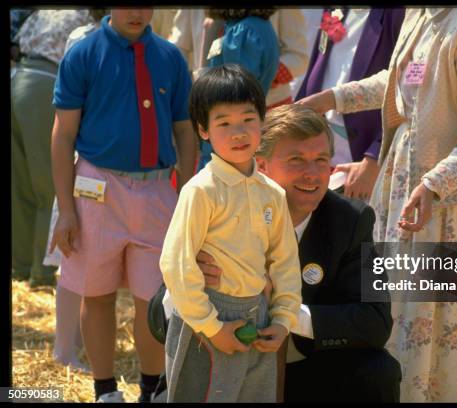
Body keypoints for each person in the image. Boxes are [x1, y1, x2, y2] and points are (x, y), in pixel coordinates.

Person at [298, 8, 457, 402]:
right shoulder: (424, 12)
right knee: (402, 323)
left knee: (451, 340)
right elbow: (401, 84)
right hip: (416, 192)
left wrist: (435, 184)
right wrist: (329, 99)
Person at [149, 104, 401, 402]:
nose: (312, 174)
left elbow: (375, 322)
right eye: (296, 160)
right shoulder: (212, 203)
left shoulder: (350, 219)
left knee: (378, 372)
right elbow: (156, 321)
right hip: (214, 367)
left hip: (305, 375)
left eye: (321, 160)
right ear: (261, 165)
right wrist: (189, 290)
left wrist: (281, 315)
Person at [50, 8, 196, 402]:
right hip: (96, 189)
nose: (137, 12)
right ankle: (105, 390)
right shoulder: (83, 54)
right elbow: (63, 136)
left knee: (154, 301)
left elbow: (184, 130)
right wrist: (66, 209)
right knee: (96, 293)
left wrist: (186, 197)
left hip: (157, 192)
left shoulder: (169, 57)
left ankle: (151, 389)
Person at [160, 64, 302, 403]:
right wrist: (211, 326)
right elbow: (176, 264)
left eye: (247, 120)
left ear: (263, 121)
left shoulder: (273, 193)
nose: (238, 132)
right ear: (203, 130)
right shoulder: (201, 191)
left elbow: (285, 263)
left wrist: (283, 320)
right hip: (205, 319)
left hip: (258, 316)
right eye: (224, 123)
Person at [12, 9, 92, 288]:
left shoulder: (45, 12)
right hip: (45, 85)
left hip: (17, 80)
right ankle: (42, 273)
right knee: (49, 187)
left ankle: (19, 266)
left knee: (19, 185)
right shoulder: (85, 18)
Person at [49, 8, 107, 373]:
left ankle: (74, 345)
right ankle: (65, 349)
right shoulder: (86, 41)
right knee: (74, 259)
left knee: (86, 261)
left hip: (87, 165)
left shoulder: (82, 39)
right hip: (84, 167)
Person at [296, 7, 405, 201]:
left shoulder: (397, 13)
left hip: (361, 155)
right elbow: (316, 64)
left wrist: (375, 157)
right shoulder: (336, 9)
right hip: (320, 143)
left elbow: (405, 90)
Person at [196, 9, 280, 172]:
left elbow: (235, 95)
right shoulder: (259, 26)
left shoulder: (244, 31)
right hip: (242, 132)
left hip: (228, 139)